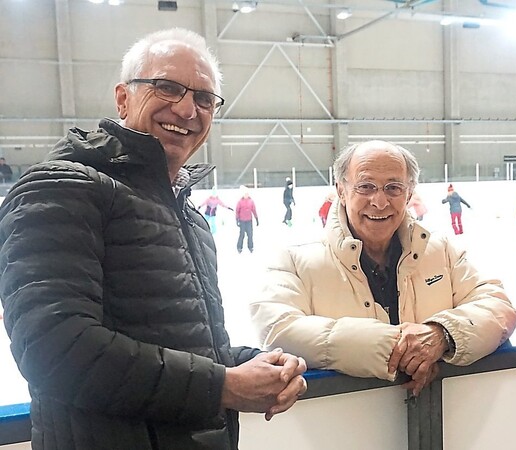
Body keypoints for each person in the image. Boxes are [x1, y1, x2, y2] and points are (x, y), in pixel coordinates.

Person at [0, 28, 307, 450]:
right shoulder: (62, 187)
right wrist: (221, 386)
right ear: (123, 98)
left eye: (204, 98)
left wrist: (248, 363)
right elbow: (54, 348)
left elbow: (180, 342)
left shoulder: (189, 218)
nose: (187, 109)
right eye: (167, 87)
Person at [249, 140, 516, 396]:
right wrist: (395, 347)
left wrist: (441, 334)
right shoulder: (294, 259)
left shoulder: (441, 250)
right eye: (365, 187)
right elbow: (277, 328)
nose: (379, 202)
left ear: (409, 193)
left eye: (393, 188)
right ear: (341, 191)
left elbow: (498, 306)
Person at [235, 185, 259, 253]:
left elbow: (254, 210)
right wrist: (237, 220)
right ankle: (239, 247)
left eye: (247, 194)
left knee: (250, 234)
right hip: (242, 221)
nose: (246, 195)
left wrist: (256, 218)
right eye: (245, 194)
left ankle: (250, 247)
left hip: (249, 221)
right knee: (242, 234)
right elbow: (237, 211)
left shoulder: (251, 201)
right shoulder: (240, 202)